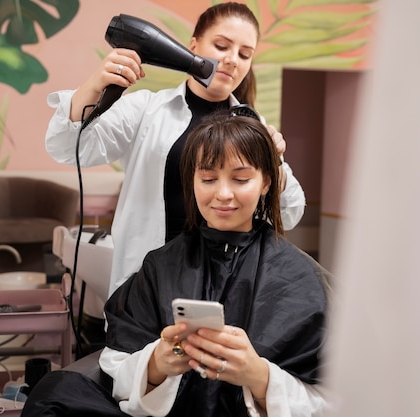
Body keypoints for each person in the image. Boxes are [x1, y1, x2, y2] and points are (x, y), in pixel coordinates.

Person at [22, 111, 331, 417]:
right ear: (192, 182)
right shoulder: (160, 266)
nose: (223, 194)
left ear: (266, 182)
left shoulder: (303, 280)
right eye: (208, 178)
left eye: (240, 179)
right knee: (53, 395)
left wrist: (259, 377)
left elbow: (337, 398)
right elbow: (116, 363)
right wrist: (156, 364)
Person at [44, 2, 306, 297]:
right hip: (146, 283)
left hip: (222, 287)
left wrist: (275, 163)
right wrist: (94, 86)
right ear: (194, 45)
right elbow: (68, 148)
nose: (233, 60)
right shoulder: (147, 110)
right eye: (222, 46)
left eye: (245, 54)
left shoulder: (253, 127)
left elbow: (290, 211)